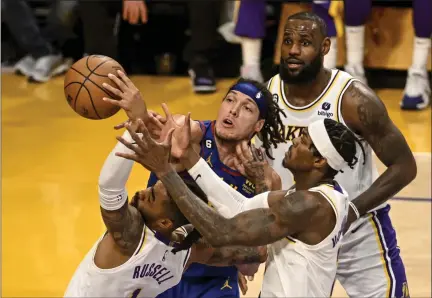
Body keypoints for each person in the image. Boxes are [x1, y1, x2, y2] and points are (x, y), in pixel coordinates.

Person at [256, 11, 416, 297]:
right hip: (296, 235)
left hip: (357, 233)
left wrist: (351, 212)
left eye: (305, 42)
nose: (293, 50)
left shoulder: (353, 99)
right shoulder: (269, 96)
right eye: (288, 40)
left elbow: (404, 166)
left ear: (325, 47)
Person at [114, 116, 363, 297]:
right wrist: (190, 156)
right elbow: (239, 206)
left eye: (304, 141)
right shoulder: (318, 196)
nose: (294, 142)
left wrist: (166, 172)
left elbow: (222, 232)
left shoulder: (308, 205)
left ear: (319, 160)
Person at [101, 72, 285, 298]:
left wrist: (259, 188)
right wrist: (139, 116)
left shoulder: (265, 179)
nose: (233, 110)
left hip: (213, 280)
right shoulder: (189, 133)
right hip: (156, 268)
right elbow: (151, 141)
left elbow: (251, 264)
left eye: (247, 108)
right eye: (230, 100)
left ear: (259, 125)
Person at [63, 119, 267, 298]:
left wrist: (134, 131)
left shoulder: (131, 235)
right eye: (151, 188)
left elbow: (109, 187)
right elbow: (256, 252)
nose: (140, 193)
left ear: (165, 223)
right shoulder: (187, 251)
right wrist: (261, 186)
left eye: (150, 197)